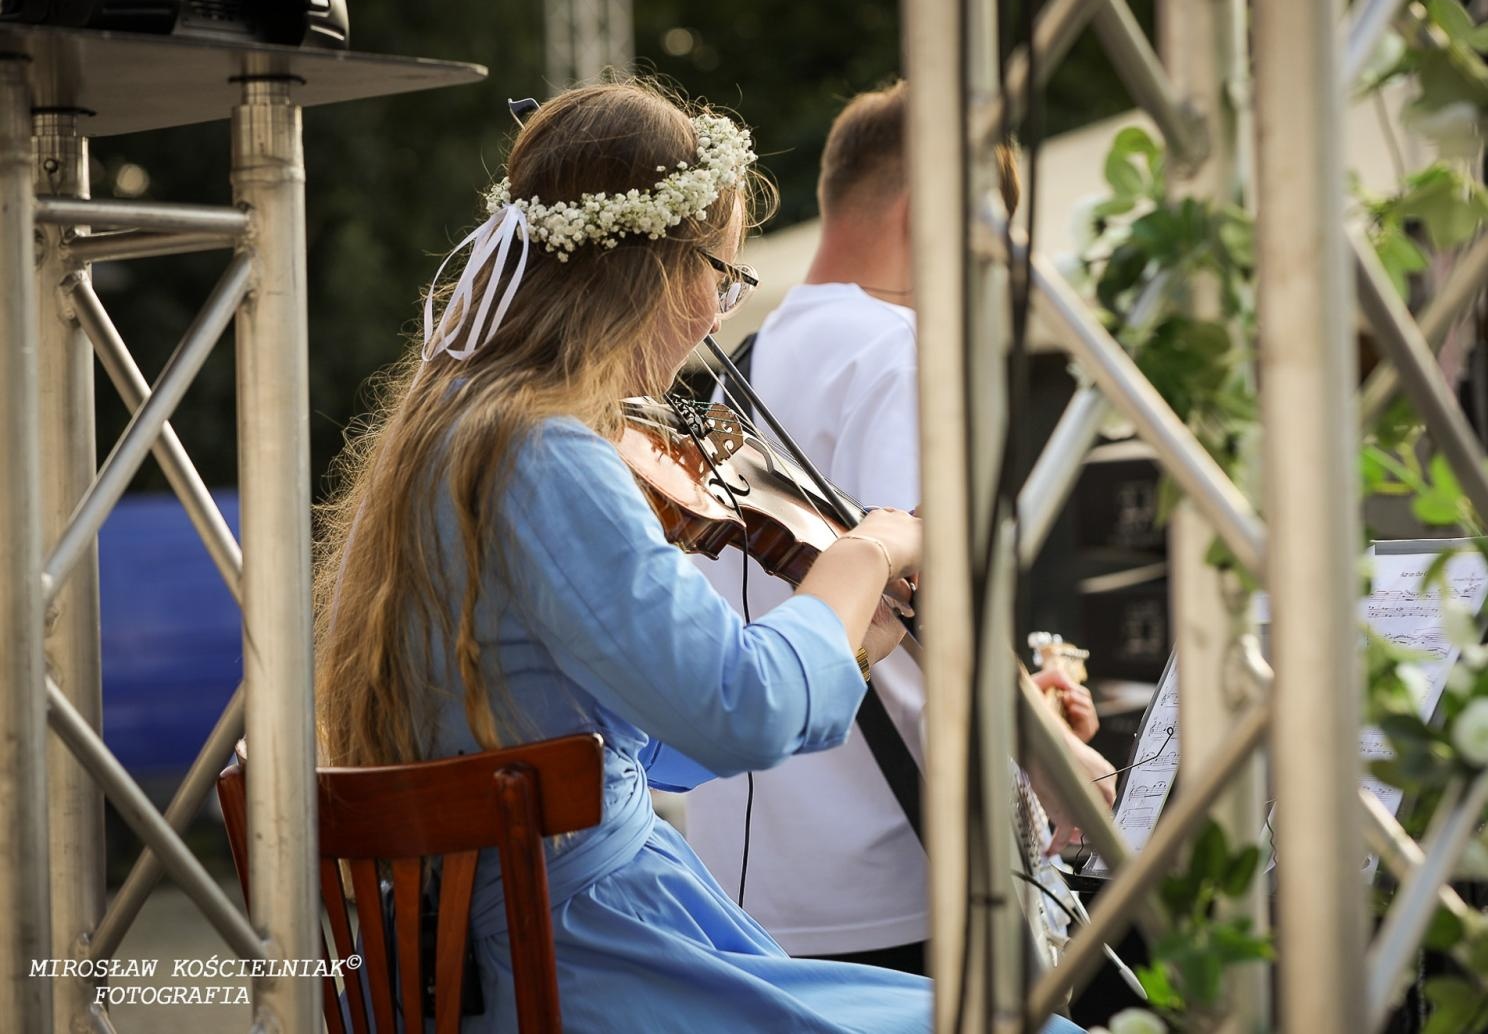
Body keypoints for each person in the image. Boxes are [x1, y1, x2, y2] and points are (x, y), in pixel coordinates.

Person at [312, 80, 1081, 1033]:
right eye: (720, 274)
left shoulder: (447, 431)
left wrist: (847, 647)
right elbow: (740, 714)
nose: (718, 314)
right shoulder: (543, 452)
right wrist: (868, 552)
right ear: (651, 270)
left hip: (534, 938)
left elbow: (643, 737)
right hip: (585, 955)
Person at [687, 80, 1114, 975]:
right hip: (895, 872)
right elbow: (921, 620)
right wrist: (1050, 759)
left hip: (746, 878)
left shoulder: (748, 365)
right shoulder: (897, 350)